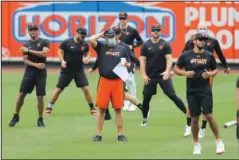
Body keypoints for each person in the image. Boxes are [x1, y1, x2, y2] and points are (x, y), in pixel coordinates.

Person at [174, 33, 225, 154]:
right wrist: (185, 74)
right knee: (194, 119)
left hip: (205, 89)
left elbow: (216, 69)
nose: (203, 42)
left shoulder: (209, 55)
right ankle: (196, 144)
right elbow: (176, 68)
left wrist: (211, 74)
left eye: (205, 40)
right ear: (194, 41)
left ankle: (219, 140)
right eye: (201, 39)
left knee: (208, 115)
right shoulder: (186, 55)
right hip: (191, 91)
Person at [140, 24, 191, 137]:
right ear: (151, 32)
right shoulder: (145, 45)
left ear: (160, 32)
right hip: (150, 76)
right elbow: (142, 61)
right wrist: (143, 74)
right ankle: (144, 119)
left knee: (172, 95)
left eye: (158, 31)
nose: (156, 32)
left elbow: (169, 59)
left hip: (163, 75)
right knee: (146, 98)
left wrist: (168, 71)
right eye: (154, 31)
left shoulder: (165, 44)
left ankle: (188, 115)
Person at [182, 22, 230, 138]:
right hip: (193, 75)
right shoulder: (191, 42)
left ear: (208, 30)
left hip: (206, 75)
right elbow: (183, 56)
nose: (203, 30)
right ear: (196, 30)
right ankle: (188, 125)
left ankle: (203, 127)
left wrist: (226, 66)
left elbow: (220, 54)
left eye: (205, 28)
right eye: (201, 28)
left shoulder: (213, 41)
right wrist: (181, 70)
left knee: (205, 102)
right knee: (191, 101)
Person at [88, 26, 142, 120]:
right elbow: (100, 58)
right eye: (111, 35)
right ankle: (107, 113)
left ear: (119, 35)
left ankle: (141, 106)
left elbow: (131, 58)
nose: (114, 36)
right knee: (102, 94)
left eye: (115, 34)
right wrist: (94, 68)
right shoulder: (104, 47)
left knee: (124, 95)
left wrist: (141, 68)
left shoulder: (123, 46)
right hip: (106, 77)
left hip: (118, 76)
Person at [89, 29, 130, 142]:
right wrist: (101, 34)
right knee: (101, 108)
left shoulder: (121, 49)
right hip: (104, 81)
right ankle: (98, 134)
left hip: (117, 81)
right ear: (105, 37)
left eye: (112, 36)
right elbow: (91, 40)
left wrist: (127, 64)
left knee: (118, 109)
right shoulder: (101, 47)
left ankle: (120, 134)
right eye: (109, 36)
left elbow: (128, 62)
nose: (111, 38)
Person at [44, 27, 96, 116]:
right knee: (58, 89)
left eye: (84, 36)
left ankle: (92, 108)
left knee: (86, 89)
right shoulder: (67, 42)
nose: (83, 37)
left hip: (79, 70)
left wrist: (87, 58)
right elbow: (60, 51)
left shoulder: (85, 44)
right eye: (81, 35)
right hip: (67, 70)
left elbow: (88, 53)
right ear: (76, 33)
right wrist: (62, 61)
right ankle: (49, 107)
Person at [9, 24, 49, 127]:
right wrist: (35, 64)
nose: (33, 32)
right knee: (22, 94)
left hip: (41, 73)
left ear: (38, 31)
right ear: (28, 32)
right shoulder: (26, 44)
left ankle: (40, 119)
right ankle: (16, 115)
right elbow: (26, 61)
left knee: (40, 96)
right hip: (29, 72)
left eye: (35, 30)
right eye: (31, 30)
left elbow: (44, 54)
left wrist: (29, 51)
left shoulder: (44, 41)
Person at [118, 12, 143, 111]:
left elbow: (140, 41)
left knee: (131, 80)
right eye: (121, 18)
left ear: (127, 19)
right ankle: (125, 101)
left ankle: (134, 102)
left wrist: (133, 46)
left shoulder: (132, 30)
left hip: (130, 57)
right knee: (122, 80)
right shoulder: (116, 30)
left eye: (124, 18)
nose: (122, 20)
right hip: (119, 57)